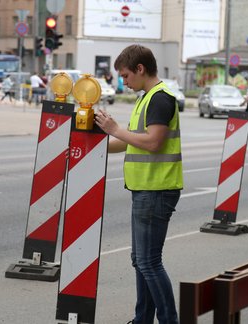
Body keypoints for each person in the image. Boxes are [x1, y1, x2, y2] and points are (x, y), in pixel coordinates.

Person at [94, 44, 183, 324]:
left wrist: (116, 129)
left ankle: (169, 321)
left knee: (149, 262)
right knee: (140, 260)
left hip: (156, 191)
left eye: (125, 75)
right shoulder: (146, 99)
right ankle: (142, 319)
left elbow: (153, 143)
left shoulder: (160, 99)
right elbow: (130, 140)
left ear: (140, 69)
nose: (123, 81)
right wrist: (96, 144)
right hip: (146, 190)